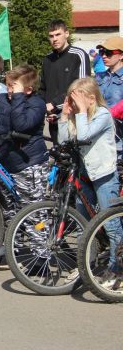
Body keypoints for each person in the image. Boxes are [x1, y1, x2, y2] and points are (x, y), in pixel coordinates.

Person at [58, 77, 123, 286]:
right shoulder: (79, 116)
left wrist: (81, 112)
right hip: (84, 175)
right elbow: (64, 141)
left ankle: (117, 269)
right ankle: (86, 265)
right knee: (82, 223)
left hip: (104, 175)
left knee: (110, 223)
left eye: (77, 98)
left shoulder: (102, 114)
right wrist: (64, 115)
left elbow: (84, 135)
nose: (73, 102)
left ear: (91, 98)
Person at [0, 64, 48, 218]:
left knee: (32, 214)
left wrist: (18, 97)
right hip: (6, 163)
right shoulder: (1, 99)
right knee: (10, 213)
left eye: (13, 86)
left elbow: (21, 125)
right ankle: (13, 243)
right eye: (8, 85)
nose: (9, 90)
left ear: (28, 90)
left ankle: (38, 243)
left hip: (29, 164)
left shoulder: (37, 104)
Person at [40, 20, 91, 143]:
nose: (54, 39)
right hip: (53, 119)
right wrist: (45, 108)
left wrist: (54, 104)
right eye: (51, 36)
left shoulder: (78, 55)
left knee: (75, 159)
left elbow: (82, 88)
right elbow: (43, 88)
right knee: (59, 156)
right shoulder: (47, 59)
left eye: (58, 34)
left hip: (73, 117)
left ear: (66, 34)